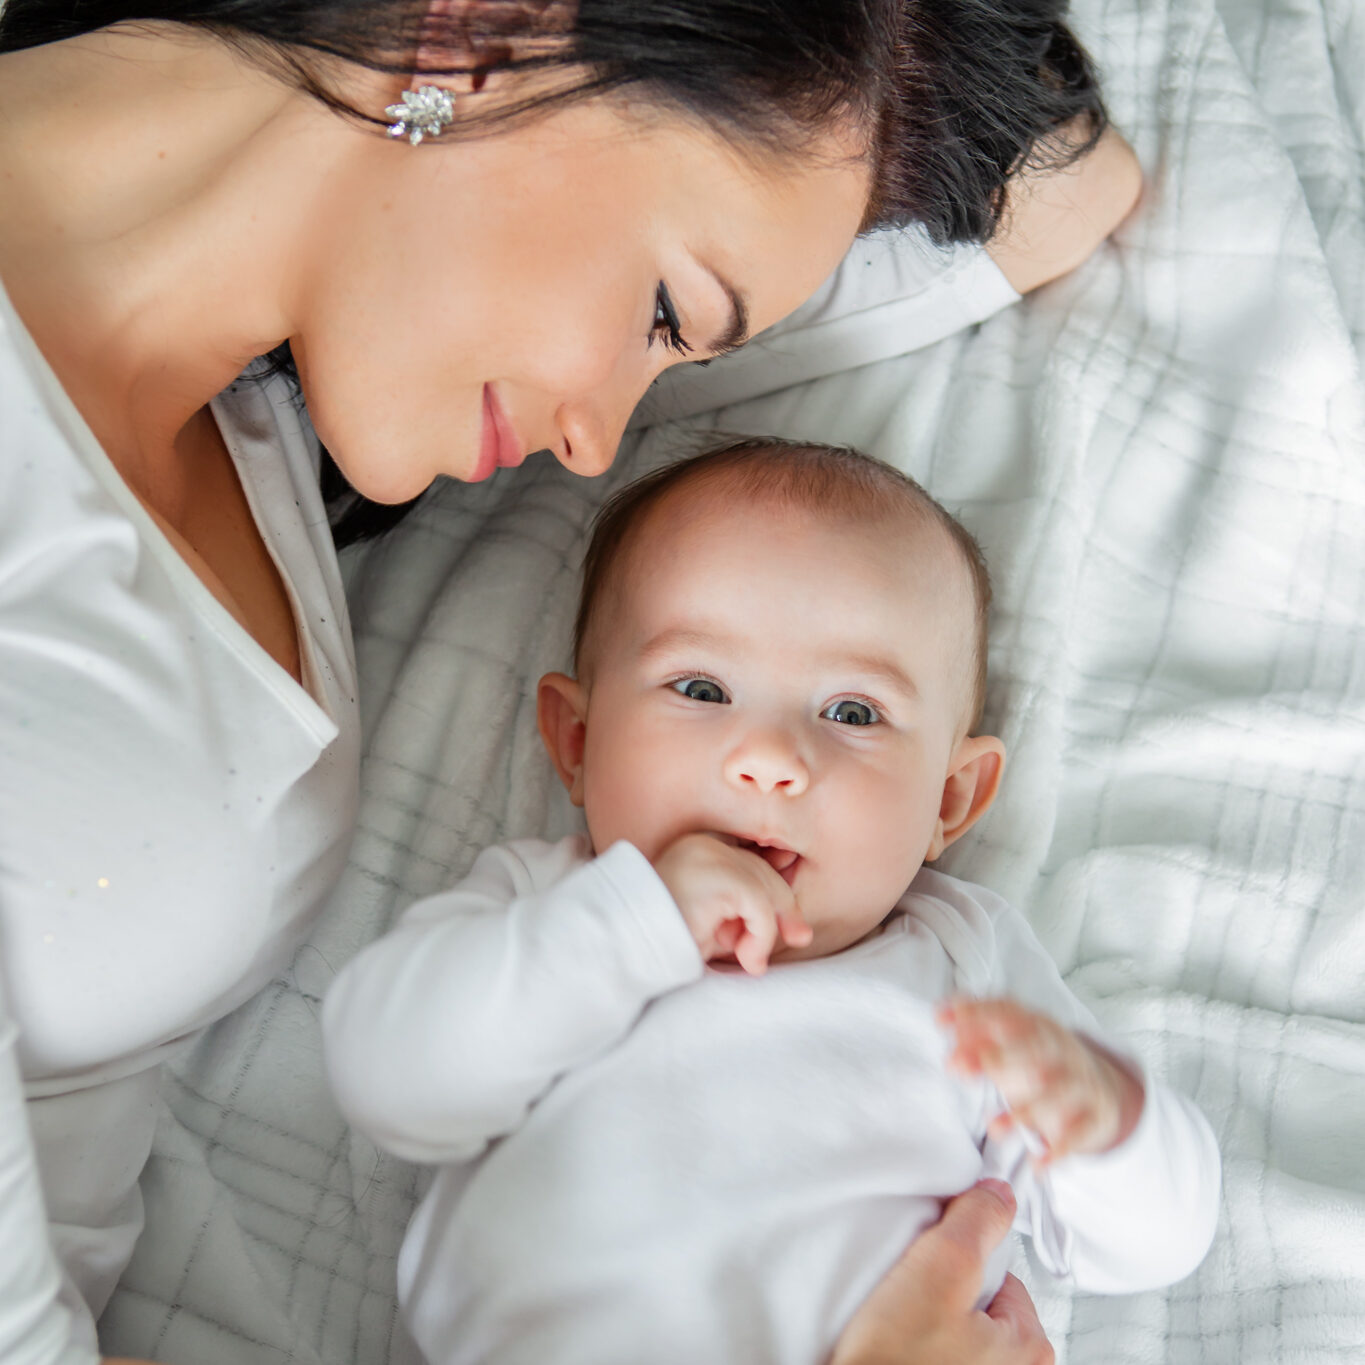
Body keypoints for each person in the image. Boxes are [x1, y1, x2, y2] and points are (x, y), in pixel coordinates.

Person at [0, 3, 1141, 1363]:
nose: (598, 444)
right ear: (489, 28)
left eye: (677, 354)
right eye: (661, 314)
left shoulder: (272, 412)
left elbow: (1065, 191)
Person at [321, 440, 1222, 1365]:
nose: (771, 759)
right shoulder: (549, 911)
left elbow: (1153, 1243)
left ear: (949, 800)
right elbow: (390, 1080)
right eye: (701, 687)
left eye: (852, 712)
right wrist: (633, 924)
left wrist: (1110, 1124)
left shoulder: (964, 961)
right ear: (578, 741)